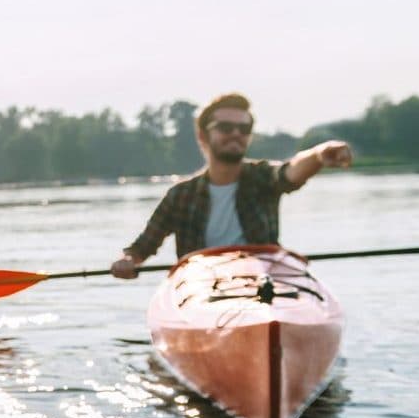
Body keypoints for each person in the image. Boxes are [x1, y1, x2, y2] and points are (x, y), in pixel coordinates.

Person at [109, 92, 354, 278]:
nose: (236, 133)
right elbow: (142, 248)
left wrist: (320, 155)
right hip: (202, 286)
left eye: (244, 128)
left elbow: (291, 172)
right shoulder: (180, 195)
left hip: (263, 280)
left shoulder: (262, 177)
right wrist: (127, 260)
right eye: (225, 127)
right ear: (203, 136)